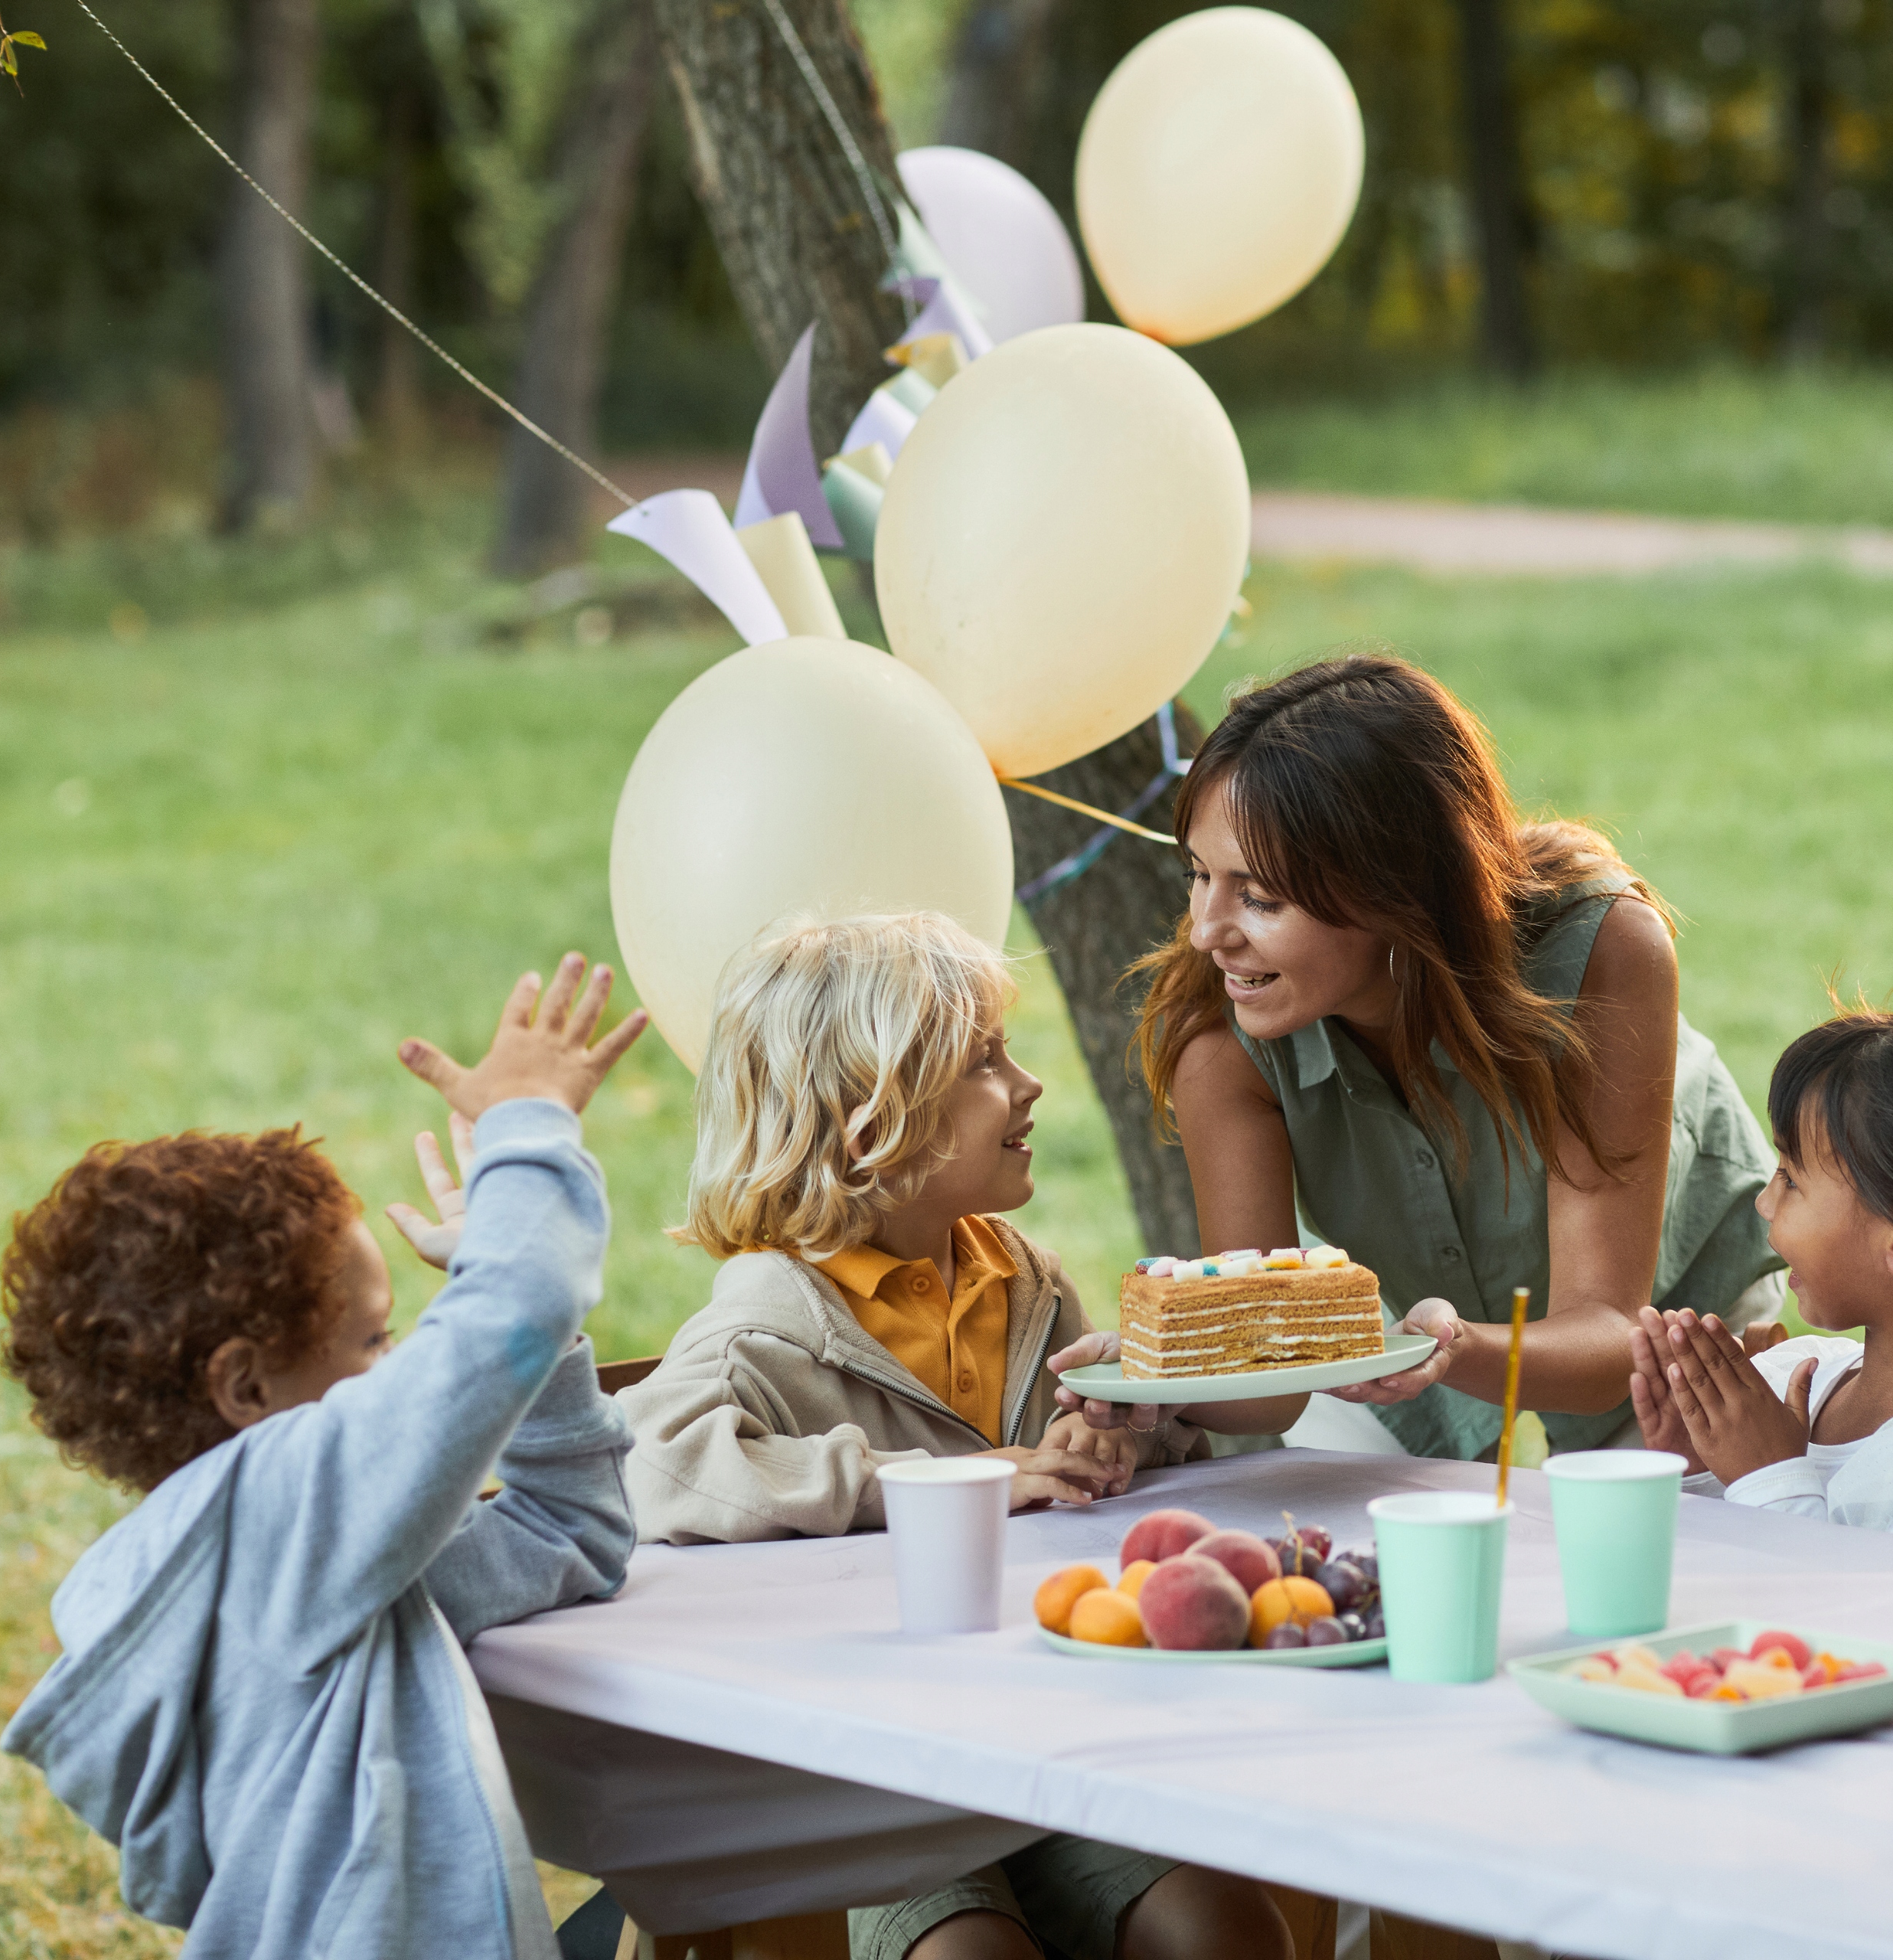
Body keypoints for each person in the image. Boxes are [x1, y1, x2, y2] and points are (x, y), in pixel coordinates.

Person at [619, 913, 1298, 1960]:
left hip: (1049, 1738)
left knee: (1223, 1930)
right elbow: (652, 1469)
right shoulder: (769, 1321)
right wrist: (939, 1481)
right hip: (876, 1779)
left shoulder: (1018, 1277)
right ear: (868, 1122)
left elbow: (1076, 1473)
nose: (1028, 1085)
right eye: (986, 1063)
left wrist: (1124, 1436)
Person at [0, 956, 647, 1960]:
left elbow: (567, 1537)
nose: (404, 1366)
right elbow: (513, 1310)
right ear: (247, 1387)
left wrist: (549, 1345)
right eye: (378, 1339)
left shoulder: (317, 1577)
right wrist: (526, 1122)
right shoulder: (277, 1527)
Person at [1057, 652, 1782, 1462]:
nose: (1206, 930)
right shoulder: (1221, 1041)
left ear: (1394, 892)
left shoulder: (1601, 946)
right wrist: (1158, 1383)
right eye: (1198, 876)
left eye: (1260, 897)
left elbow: (1609, 1340)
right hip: (1412, 1357)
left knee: (1646, 1559)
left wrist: (1455, 1349)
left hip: (1670, 1343)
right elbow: (1270, 1388)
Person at [1631, 1009, 1893, 1525]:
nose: (1765, 1203)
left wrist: (1769, 1475)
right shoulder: (1791, 1379)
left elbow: (1837, 1601)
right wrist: (1700, 1467)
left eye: (1791, 1179)